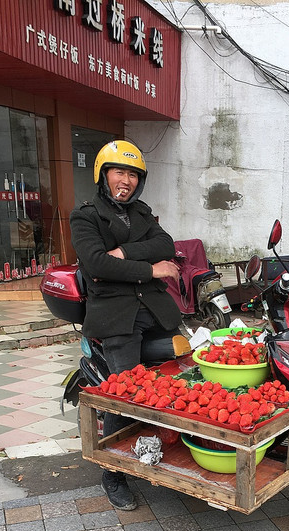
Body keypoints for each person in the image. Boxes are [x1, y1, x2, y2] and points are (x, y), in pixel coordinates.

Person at [70, 140, 183, 511]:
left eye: (134, 174)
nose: (127, 180)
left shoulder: (143, 213)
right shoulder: (85, 216)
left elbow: (165, 242)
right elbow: (97, 266)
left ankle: (167, 447)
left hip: (155, 310)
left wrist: (126, 253)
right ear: (104, 175)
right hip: (116, 317)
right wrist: (152, 269)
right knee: (125, 394)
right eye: (120, 171)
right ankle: (113, 473)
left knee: (181, 376)